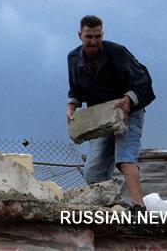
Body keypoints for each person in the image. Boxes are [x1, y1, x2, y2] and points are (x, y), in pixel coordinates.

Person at [66, 15, 155, 212]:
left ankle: (138, 207)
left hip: (128, 109)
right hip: (101, 115)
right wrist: (72, 105)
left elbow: (143, 80)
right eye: (88, 37)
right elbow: (75, 89)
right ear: (80, 35)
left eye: (97, 37)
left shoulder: (117, 53)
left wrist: (129, 99)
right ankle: (108, 206)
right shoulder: (73, 58)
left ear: (102, 34)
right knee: (93, 169)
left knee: (124, 158)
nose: (93, 42)